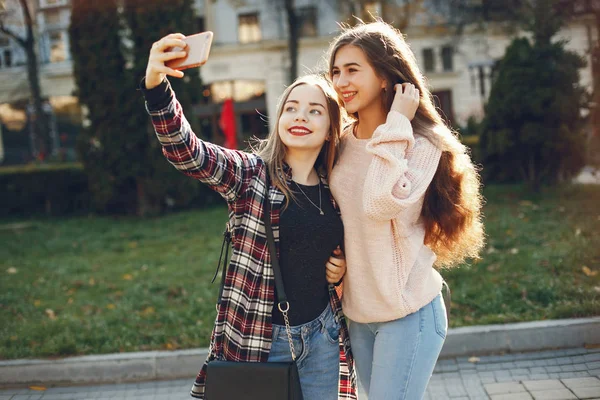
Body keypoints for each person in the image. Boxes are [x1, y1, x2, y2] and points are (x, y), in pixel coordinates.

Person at [141, 33, 357, 400]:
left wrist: (344, 263)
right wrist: (157, 86)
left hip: (323, 336)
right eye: (291, 107)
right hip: (263, 338)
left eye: (314, 110)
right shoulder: (250, 175)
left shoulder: (337, 187)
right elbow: (186, 151)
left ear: (330, 128)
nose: (300, 116)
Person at [326, 21, 485, 399]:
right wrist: (339, 259)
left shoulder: (421, 144)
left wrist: (397, 121)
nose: (341, 81)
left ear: (384, 77)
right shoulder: (341, 144)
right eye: (335, 71)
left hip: (408, 312)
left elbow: (380, 203)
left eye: (352, 70)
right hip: (359, 313)